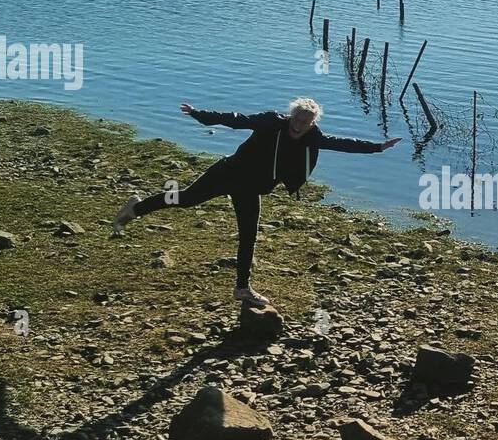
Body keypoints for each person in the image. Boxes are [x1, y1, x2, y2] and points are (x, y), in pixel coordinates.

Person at [113, 97, 400, 305]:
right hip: (227, 173)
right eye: (297, 119)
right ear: (291, 116)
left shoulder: (312, 137)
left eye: (306, 122)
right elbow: (236, 120)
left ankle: (242, 288)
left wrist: (377, 147)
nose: (300, 126)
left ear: (312, 123)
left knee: (248, 236)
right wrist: (199, 114)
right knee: (185, 198)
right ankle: (136, 207)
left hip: (250, 189)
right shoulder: (271, 122)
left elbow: (342, 144)